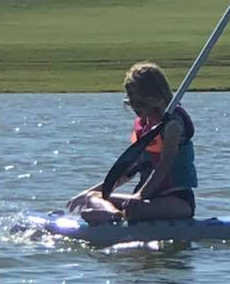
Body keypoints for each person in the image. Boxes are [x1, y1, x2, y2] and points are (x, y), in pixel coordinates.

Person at [66, 62, 198, 224]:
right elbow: (128, 171)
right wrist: (89, 192)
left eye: (140, 104)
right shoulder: (145, 127)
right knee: (92, 197)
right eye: (131, 103)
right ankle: (114, 215)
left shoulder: (173, 125)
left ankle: (120, 214)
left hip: (177, 201)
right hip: (145, 200)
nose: (136, 109)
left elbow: (165, 163)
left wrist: (140, 196)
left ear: (155, 99)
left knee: (134, 209)